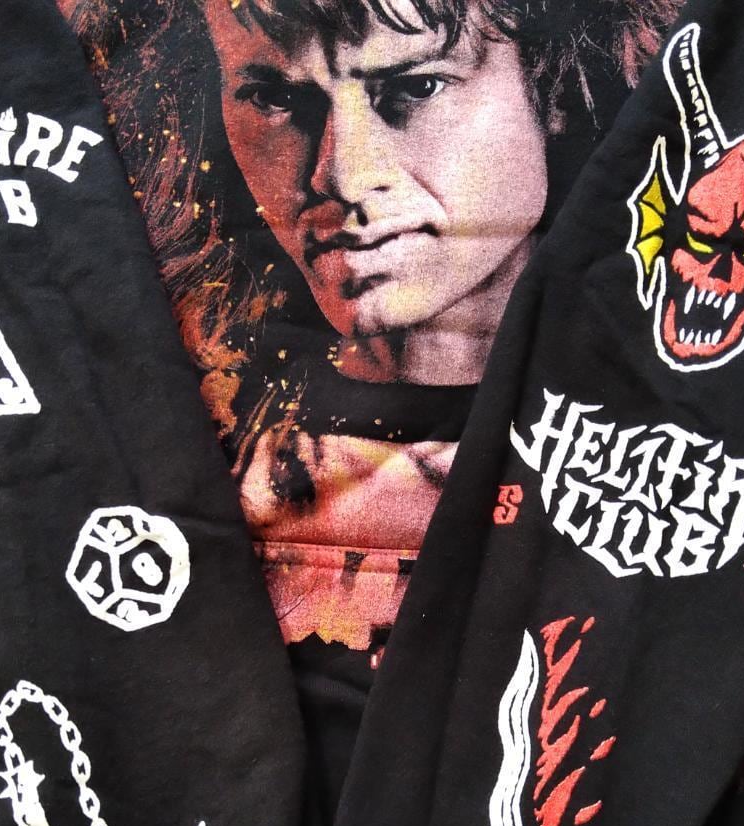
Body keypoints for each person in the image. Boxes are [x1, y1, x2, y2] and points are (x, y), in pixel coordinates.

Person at [63, 0, 680, 661]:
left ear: (552, 85)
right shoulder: (172, 415)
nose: (342, 176)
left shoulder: (684, 426)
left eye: (417, 87)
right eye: (276, 98)